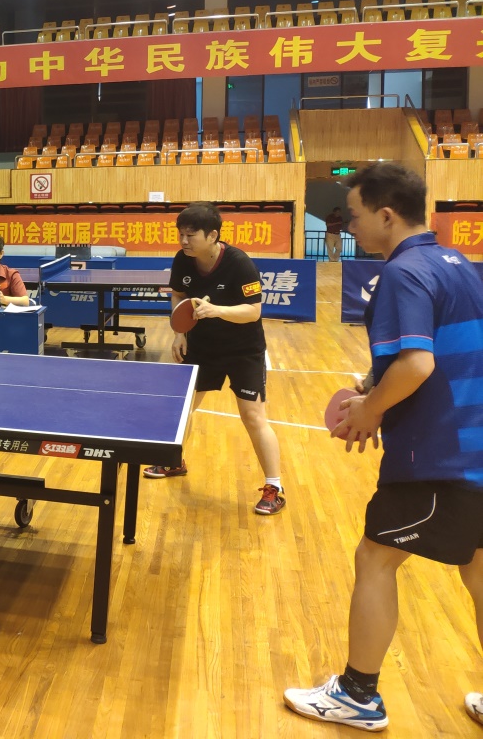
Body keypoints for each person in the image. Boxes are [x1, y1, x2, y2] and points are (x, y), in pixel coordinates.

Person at [284, 163, 483, 731]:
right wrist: (375, 383)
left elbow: (417, 365)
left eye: (355, 215)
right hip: (477, 443)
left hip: (440, 455)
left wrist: (371, 409)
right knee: (479, 571)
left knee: (375, 557)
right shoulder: (458, 264)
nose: (349, 225)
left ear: (387, 215)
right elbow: (438, 349)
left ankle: (358, 695)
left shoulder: (402, 272)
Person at [144, 201, 286, 516]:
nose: (183, 241)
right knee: (183, 408)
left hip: (243, 350)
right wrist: (179, 332)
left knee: (253, 416)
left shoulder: (240, 264)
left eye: (190, 235)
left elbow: (254, 311)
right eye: (181, 234)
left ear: (212, 235)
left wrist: (217, 310)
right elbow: (179, 295)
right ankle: (173, 461)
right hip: (203, 347)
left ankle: (274, 487)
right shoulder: (182, 260)